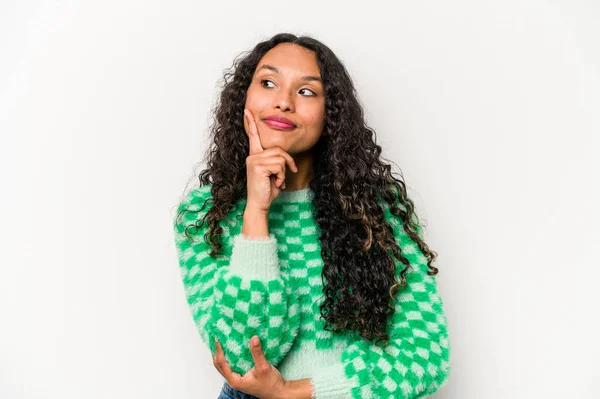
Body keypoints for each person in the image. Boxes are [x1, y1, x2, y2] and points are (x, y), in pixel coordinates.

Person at [172, 32, 451, 399]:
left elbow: (425, 356)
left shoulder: (375, 210)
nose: (284, 102)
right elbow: (241, 358)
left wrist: (294, 391)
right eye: (268, 83)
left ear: (330, 114)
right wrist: (256, 213)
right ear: (244, 99)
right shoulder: (204, 214)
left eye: (306, 92)